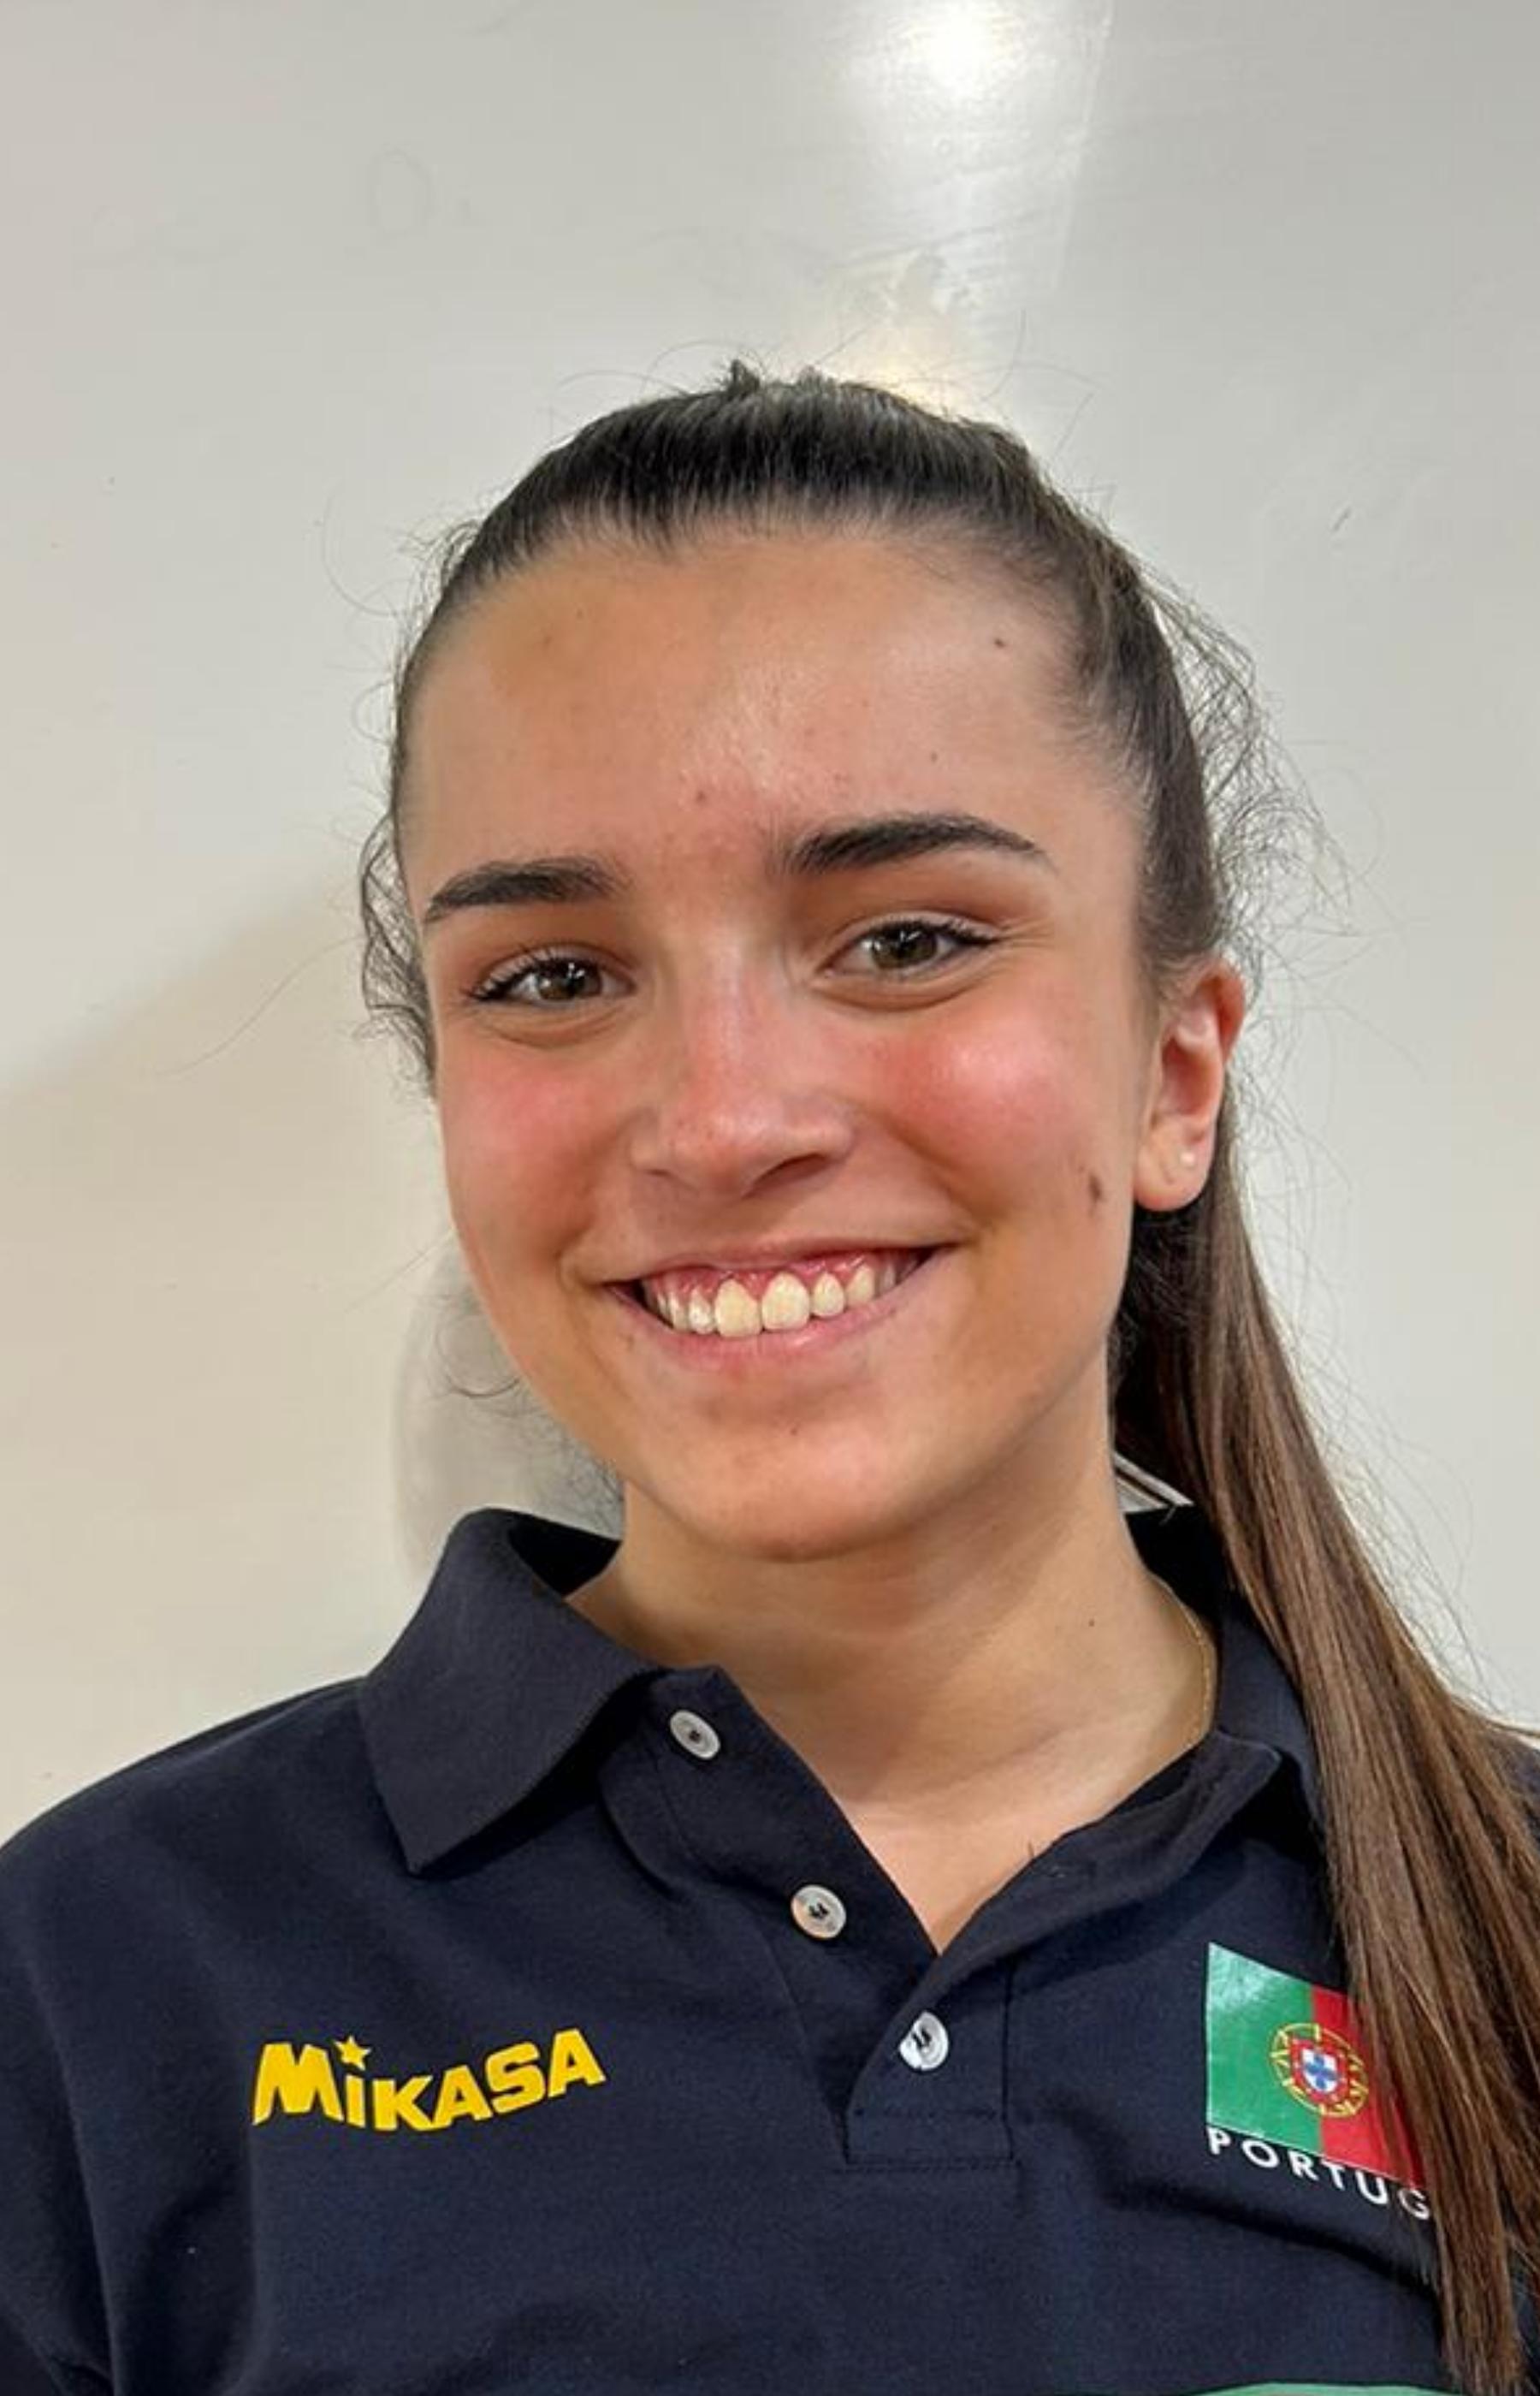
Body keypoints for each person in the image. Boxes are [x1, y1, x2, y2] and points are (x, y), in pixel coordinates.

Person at [1, 365, 1537, 2396]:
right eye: (554, 975)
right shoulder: (94, 1980)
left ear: (1177, 1073)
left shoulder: (1504, 1919)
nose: (723, 1118)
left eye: (904, 938)